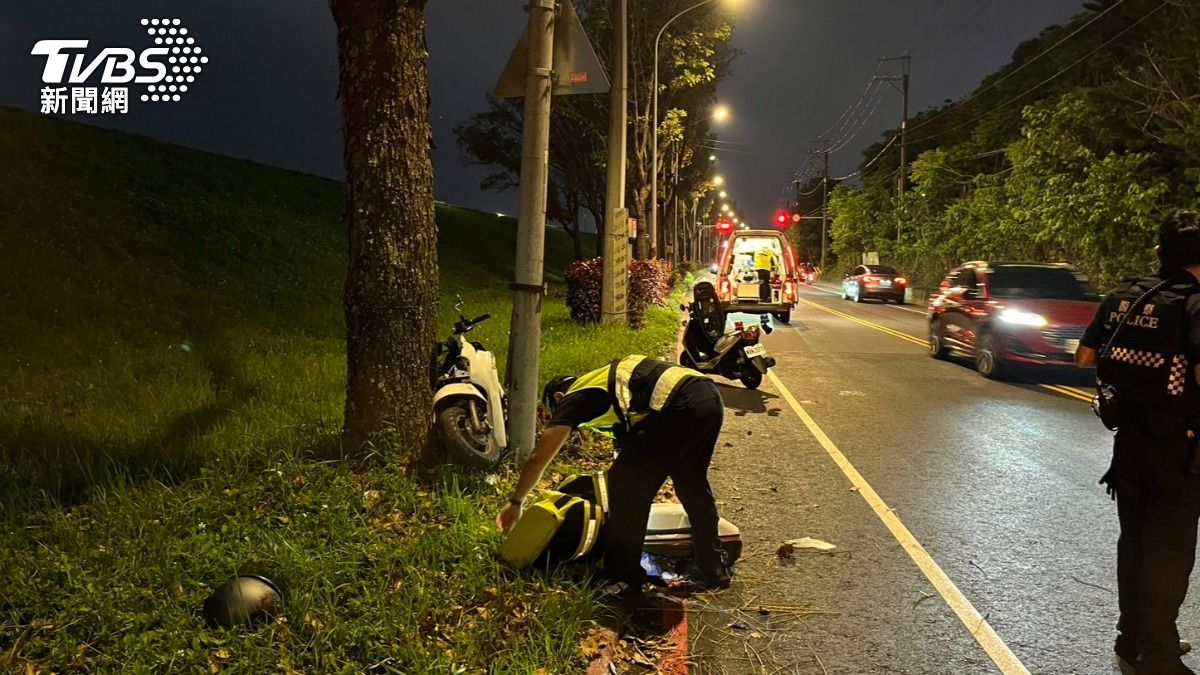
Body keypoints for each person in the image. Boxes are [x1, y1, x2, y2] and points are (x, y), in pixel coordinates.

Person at [1076, 211, 1200, 675]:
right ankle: (1159, 656)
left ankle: (1132, 641)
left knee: (1136, 543)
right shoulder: (1195, 304)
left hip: (1127, 444)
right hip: (1179, 450)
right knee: (1170, 551)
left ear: (1159, 252)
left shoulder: (1125, 296)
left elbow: (1084, 356)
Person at [495, 355, 731, 593]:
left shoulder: (577, 395)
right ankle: (712, 567)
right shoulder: (610, 389)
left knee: (625, 489)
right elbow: (636, 447)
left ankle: (623, 576)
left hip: (678, 404)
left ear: (558, 398)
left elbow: (540, 455)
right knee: (691, 484)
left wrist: (516, 500)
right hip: (707, 398)